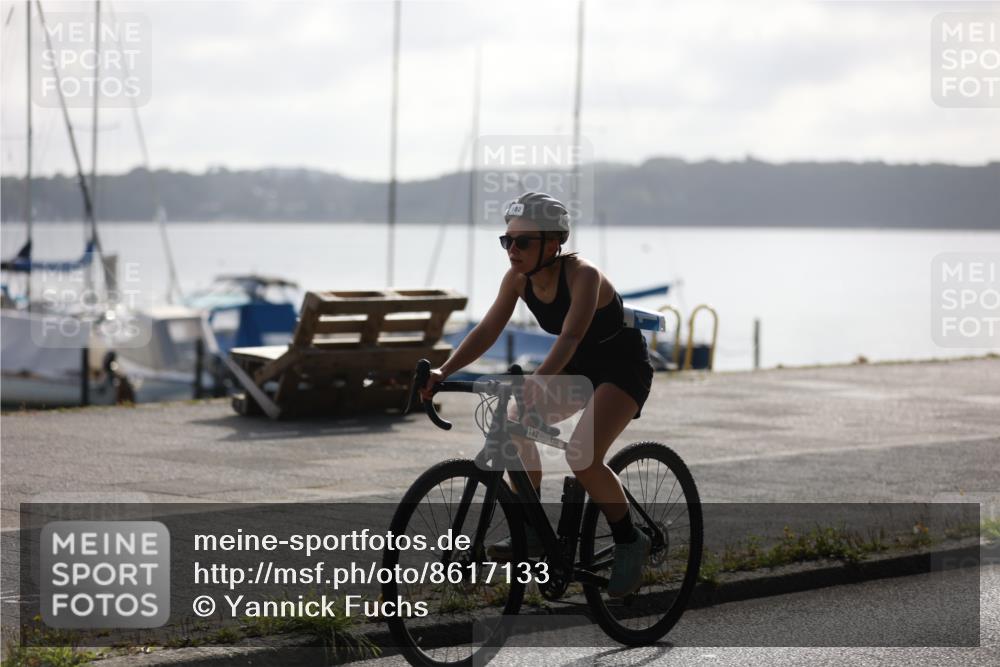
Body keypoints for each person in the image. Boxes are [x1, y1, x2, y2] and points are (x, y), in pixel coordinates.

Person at [420, 192, 655, 598]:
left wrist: (538, 380)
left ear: (553, 243)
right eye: (507, 241)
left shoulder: (584, 276)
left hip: (621, 368)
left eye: (523, 242)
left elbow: (571, 337)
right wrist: (445, 370)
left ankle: (630, 539)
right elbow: (487, 330)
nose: (512, 249)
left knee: (582, 457)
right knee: (513, 426)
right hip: (576, 368)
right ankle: (530, 529)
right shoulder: (517, 279)